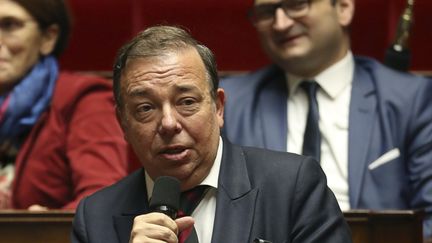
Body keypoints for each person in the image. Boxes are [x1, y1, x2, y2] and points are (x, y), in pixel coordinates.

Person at [71, 25, 351, 243]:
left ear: (218, 107)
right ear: (123, 123)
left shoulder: (292, 186)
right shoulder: (96, 217)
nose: (168, 123)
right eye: (146, 108)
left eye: (187, 102)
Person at [220, 0, 432, 238]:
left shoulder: (410, 99)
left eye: (296, 5)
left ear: (343, 8)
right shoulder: (229, 104)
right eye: (267, 12)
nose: (280, 24)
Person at [0, 0, 129, 209]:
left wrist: (46, 223)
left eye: (10, 25)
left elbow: (103, 199)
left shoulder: (83, 99)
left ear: (48, 38)